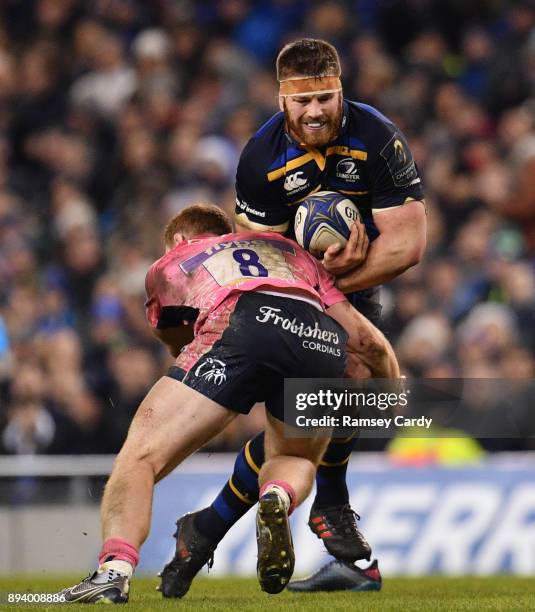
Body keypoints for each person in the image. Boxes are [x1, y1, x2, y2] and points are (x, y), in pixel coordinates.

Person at [176, 37, 427, 592]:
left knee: (320, 416)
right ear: (282, 99)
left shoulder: (378, 138)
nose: (315, 110)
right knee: (344, 394)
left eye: (325, 97)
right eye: (303, 100)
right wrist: (317, 279)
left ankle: (206, 528)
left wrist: (337, 277)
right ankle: (330, 515)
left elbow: (407, 245)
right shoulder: (260, 159)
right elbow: (262, 261)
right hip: (282, 298)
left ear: (341, 90)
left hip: (353, 287)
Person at [59, 203, 398, 603]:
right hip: (317, 336)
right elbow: (367, 342)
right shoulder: (287, 252)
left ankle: (112, 573)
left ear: (181, 239)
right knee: (297, 457)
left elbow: (177, 343)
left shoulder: (175, 260)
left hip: (238, 324)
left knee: (140, 457)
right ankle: (276, 495)